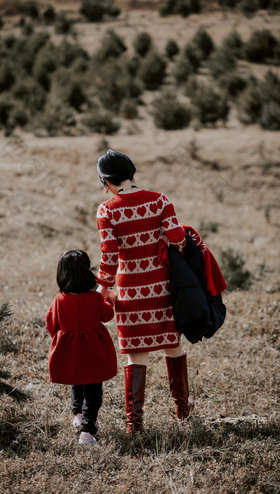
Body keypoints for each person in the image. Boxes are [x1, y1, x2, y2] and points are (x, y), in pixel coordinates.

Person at [95, 149, 194, 433]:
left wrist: (103, 288)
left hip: (130, 290)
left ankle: (134, 424)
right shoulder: (160, 200)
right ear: (131, 172)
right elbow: (177, 237)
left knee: (136, 355)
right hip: (162, 287)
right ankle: (182, 409)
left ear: (106, 181)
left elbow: (110, 257)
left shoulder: (107, 209)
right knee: (173, 346)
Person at [45, 249, 117, 444]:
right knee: (93, 392)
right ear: (87, 272)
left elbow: (51, 324)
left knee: (77, 381)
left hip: (70, 352)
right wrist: (109, 299)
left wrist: (62, 340)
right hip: (94, 354)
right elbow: (107, 316)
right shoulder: (94, 298)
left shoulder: (59, 300)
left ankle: (77, 414)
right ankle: (87, 430)